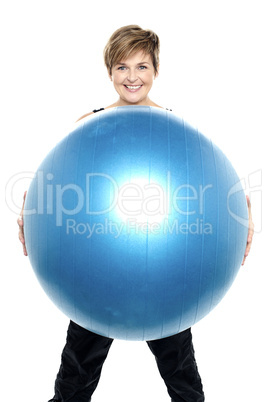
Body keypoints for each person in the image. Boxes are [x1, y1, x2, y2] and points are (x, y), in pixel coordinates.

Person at [17, 25, 254, 402]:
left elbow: (211, 183)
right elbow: (58, 184)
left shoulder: (176, 130)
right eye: (122, 67)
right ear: (110, 71)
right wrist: (33, 215)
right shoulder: (88, 125)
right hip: (96, 273)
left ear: (156, 70)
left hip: (168, 273)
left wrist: (244, 216)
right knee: (79, 363)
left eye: (142, 66)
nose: (132, 77)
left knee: (179, 365)